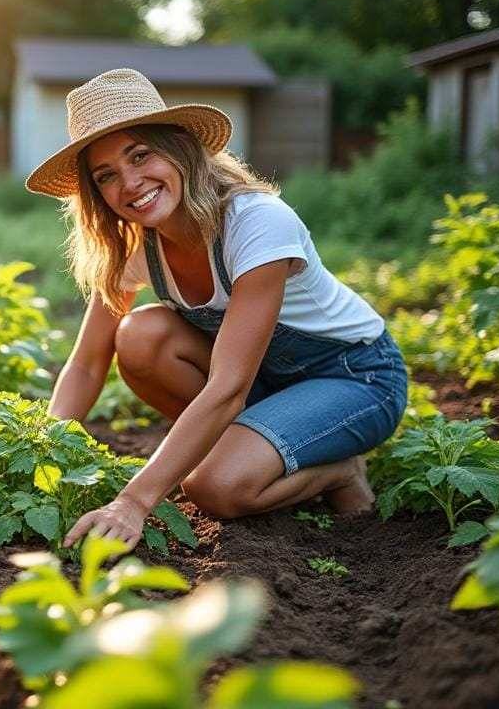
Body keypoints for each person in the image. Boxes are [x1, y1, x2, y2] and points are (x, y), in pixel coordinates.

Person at [24, 69, 407, 549]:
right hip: (263, 383)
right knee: (140, 337)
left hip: (354, 377)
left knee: (213, 487)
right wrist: (40, 446)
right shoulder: (136, 246)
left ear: (179, 148)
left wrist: (134, 501)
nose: (130, 183)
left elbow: (229, 386)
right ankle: (267, 448)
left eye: (140, 155)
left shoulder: (256, 222)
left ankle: (336, 470)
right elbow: (85, 362)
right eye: (106, 176)